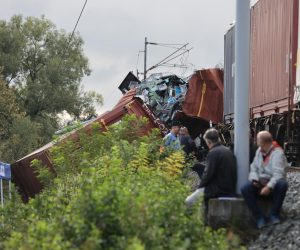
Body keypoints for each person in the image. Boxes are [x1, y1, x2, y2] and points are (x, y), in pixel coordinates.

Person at [241, 131, 288, 229]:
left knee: (282, 184)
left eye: (257, 139)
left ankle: (274, 214)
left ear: (263, 142)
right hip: (260, 183)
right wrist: (254, 180)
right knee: (245, 188)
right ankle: (259, 217)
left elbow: (278, 174)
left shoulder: (277, 153)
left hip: (272, 185)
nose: (256, 141)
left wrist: (268, 187)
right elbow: (253, 167)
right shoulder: (260, 151)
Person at [198, 128, 237, 203]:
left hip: (220, 189)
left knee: (191, 200)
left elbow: (208, 174)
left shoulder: (213, 153)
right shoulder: (227, 150)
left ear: (208, 141)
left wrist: (200, 187)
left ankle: (206, 214)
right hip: (231, 187)